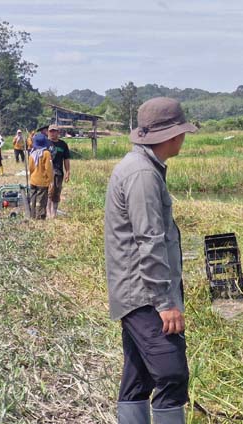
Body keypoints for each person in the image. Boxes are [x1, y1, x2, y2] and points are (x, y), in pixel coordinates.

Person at [105, 97, 197, 424]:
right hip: (144, 295)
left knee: (138, 376)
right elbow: (149, 238)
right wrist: (165, 302)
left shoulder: (142, 166)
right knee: (172, 374)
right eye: (182, 131)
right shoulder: (142, 173)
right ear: (172, 135)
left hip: (136, 292)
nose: (184, 138)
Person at [46, 125, 71, 219]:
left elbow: (66, 159)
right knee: (48, 192)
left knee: (56, 192)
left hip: (58, 172)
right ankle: (48, 212)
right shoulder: (46, 143)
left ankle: (54, 213)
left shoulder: (63, 144)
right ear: (48, 132)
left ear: (58, 132)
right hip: (47, 172)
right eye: (51, 131)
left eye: (54, 131)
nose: (52, 133)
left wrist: (68, 171)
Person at [28, 130, 53, 219]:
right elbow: (48, 168)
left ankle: (32, 216)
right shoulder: (46, 153)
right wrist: (50, 181)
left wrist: (33, 175)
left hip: (33, 180)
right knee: (41, 201)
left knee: (33, 199)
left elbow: (30, 168)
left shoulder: (32, 153)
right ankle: (40, 217)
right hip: (42, 181)